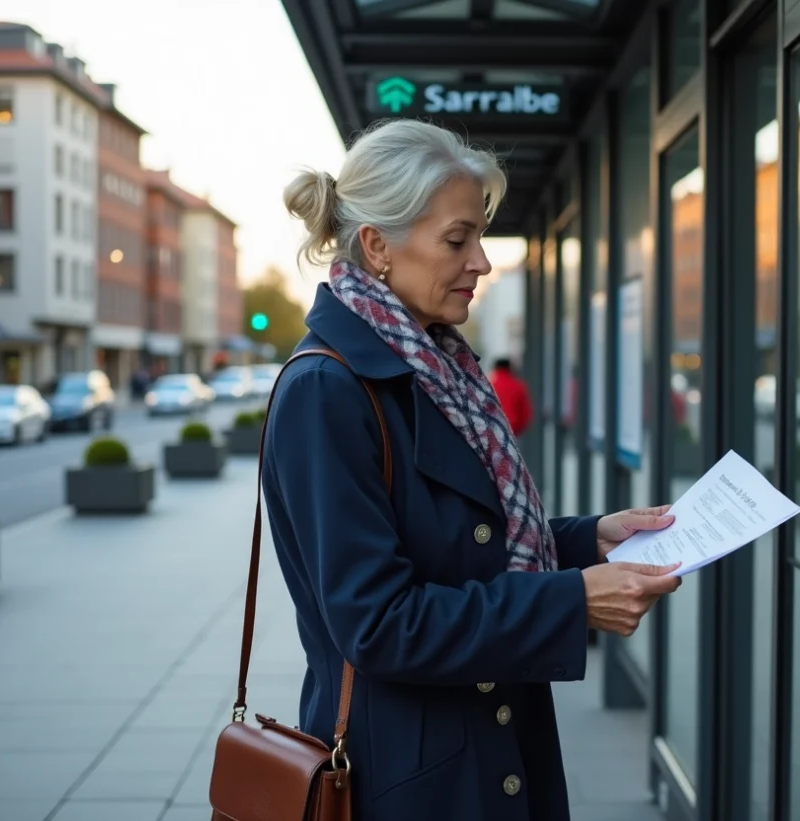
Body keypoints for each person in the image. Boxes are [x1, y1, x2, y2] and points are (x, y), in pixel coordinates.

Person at [265, 118, 682, 821]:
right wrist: (569, 600)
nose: (481, 262)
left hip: (489, 750)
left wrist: (587, 540)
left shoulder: (436, 368)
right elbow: (379, 623)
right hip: (406, 779)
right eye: (457, 240)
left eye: (479, 240)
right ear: (378, 247)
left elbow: (462, 540)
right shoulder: (327, 390)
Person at [489, 357, 533, 435]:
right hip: (512, 429)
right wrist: (517, 430)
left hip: (491, 428)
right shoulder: (518, 385)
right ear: (509, 368)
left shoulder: (489, 385)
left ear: (495, 368)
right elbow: (526, 413)